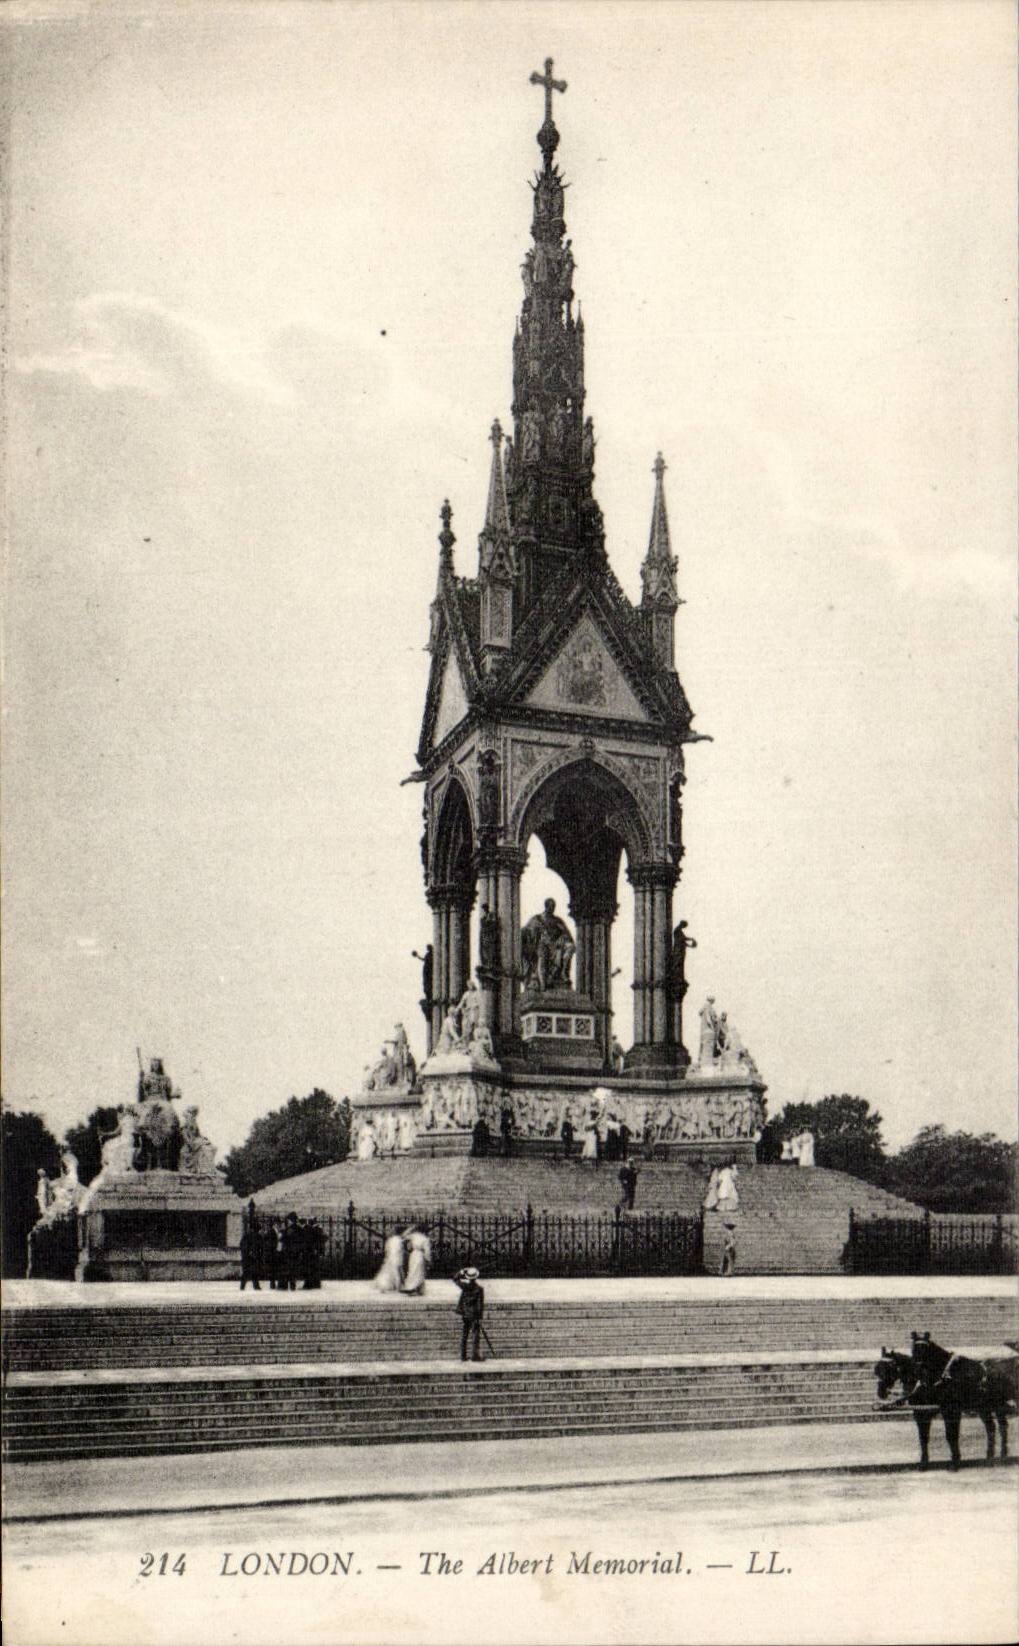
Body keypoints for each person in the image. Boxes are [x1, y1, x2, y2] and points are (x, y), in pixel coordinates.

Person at [453, 1267, 485, 1362]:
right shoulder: (479, 1289)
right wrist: (480, 1317)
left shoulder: (464, 1286)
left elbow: (455, 1279)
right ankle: (475, 1356)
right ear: (476, 1277)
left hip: (465, 1314)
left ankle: (463, 1356)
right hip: (474, 1315)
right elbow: (480, 1305)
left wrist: (462, 1272)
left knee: (465, 1335)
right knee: (475, 1336)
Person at [374, 1226, 406, 1292]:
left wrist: (387, 1256)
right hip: (397, 1257)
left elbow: (387, 1249)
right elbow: (400, 1250)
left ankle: (386, 1285)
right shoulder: (400, 1240)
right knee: (397, 1271)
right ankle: (398, 1286)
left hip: (390, 1257)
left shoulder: (390, 1240)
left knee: (389, 1271)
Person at [402, 1226, 432, 1296]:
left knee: (413, 1271)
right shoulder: (425, 1239)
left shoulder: (414, 1236)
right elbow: (427, 1251)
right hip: (420, 1255)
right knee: (419, 1272)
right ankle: (414, 1288)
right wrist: (428, 1260)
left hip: (413, 1254)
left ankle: (418, 1288)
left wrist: (410, 1228)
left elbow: (404, 1236)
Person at [239, 1222, 261, 1291]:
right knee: (251, 1272)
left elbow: (242, 1245)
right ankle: (254, 1286)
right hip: (250, 1257)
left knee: (249, 1272)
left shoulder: (247, 1236)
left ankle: (244, 1286)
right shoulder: (255, 1236)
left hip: (248, 1257)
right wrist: (250, 1252)